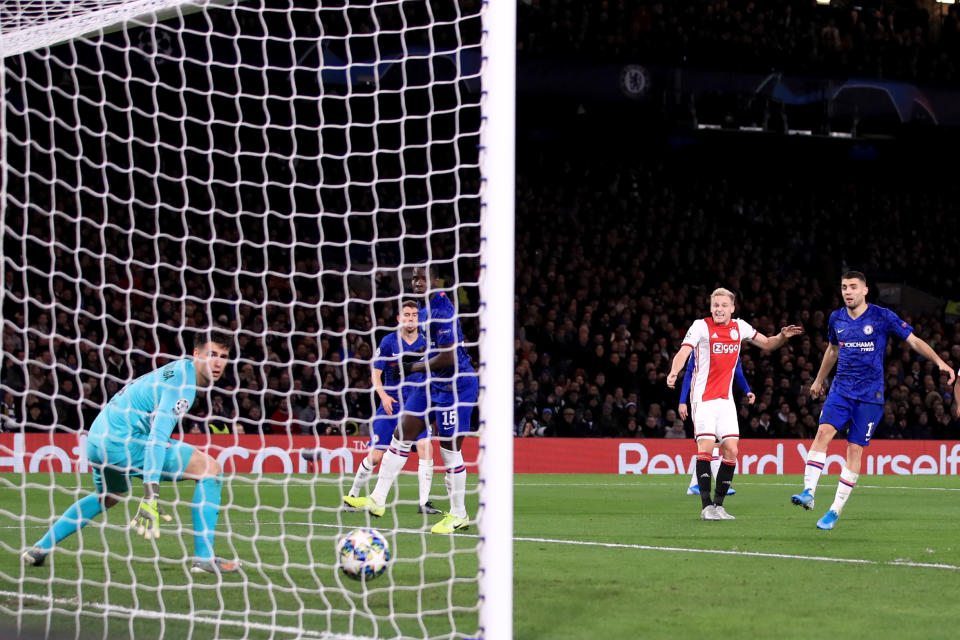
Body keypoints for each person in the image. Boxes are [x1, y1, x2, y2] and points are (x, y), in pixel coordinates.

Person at [22, 329, 241, 574]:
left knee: (110, 494)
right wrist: (150, 493)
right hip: (122, 442)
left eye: (223, 356)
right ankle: (203, 558)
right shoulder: (182, 385)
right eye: (212, 354)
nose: (218, 362)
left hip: (97, 439)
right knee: (210, 468)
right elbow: (157, 439)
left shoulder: (177, 369)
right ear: (196, 354)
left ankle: (40, 548)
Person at [790, 272, 955, 530]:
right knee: (823, 432)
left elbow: (913, 340)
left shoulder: (882, 316)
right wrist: (819, 379)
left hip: (870, 397)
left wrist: (939, 362)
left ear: (865, 290)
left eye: (853, 287)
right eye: (844, 287)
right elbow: (833, 350)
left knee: (854, 450)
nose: (848, 291)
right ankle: (808, 492)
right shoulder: (836, 318)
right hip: (841, 391)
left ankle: (834, 510)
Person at [344, 265, 479, 534]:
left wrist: (413, 366)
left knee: (449, 450)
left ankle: (459, 514)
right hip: (433, 383)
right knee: (401, 434)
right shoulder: (423, 309)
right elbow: (430, 352)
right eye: (414, 278)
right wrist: (415, 359)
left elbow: (448, 356)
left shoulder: (442, 308)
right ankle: (378, 498)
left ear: (434, 280)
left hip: (456, 385)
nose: (417, 282)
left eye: (423, 278)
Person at [667, 287, 802, 521]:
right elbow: (683, 352)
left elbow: (768, 344)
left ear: (732, 308)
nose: (719, 309)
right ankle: (706, 506)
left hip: (726, 401)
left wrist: (781, 337)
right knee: (706, 448)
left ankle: (719, 506)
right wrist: (673, 372)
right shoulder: (700, 326)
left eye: (723, 305)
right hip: (704, 399)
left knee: (731, 450)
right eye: (715, 305)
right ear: (711, 307)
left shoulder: (740, 327)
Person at [342, 300, 441, 514]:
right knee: (376, 456)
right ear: (399, 318)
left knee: (425, 446)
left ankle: (424, 503)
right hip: (392, 405)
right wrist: (384, 396)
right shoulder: (388, 342)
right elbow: (375, 374)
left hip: (417, 405)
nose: (411, 318)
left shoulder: (427, 343)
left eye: (414, 314)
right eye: (407, 314)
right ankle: (352, 495)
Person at [679, 354, 755, 496]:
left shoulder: (733, 348)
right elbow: (689, 373)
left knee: (716, 444)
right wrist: (682, 401)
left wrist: (747, 390)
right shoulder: (701, 347)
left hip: (722, 403)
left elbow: (738, 372)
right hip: (702, 402)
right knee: (711, 444)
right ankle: (711, 485)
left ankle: (694, 485)